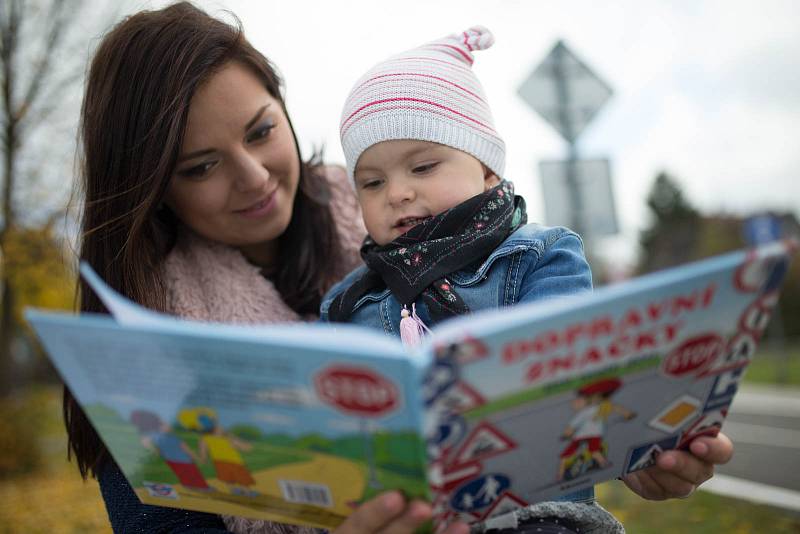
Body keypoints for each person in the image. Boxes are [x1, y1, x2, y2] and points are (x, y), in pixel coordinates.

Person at [64, 3, 467, 534]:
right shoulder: (137, 353)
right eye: (202, 166)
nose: (253, 177)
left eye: (260, 132)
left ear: (283, 106)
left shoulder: (404, 212)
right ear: (154, 189)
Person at [321, 25, 734, 533]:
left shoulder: (540, 256)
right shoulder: (348, 302)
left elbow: (581, 374)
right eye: (372, 181)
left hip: (539, 515)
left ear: (488, 170)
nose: (398, 193)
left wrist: (637, 440)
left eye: (423, 166)